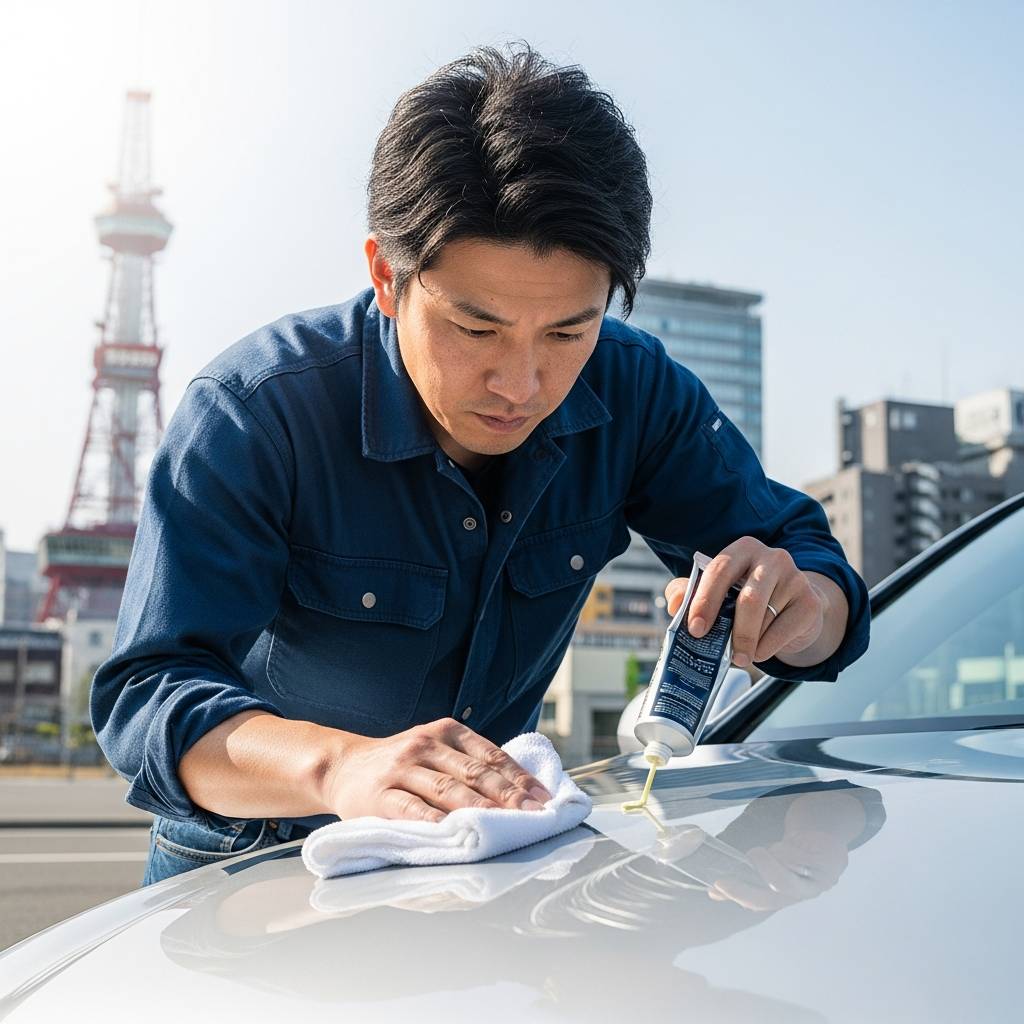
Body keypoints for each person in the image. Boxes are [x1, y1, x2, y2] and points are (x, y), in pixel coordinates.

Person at [91, 42, 870, 885]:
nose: (522, 385)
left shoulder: (637, 390)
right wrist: (338, 768)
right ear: (387, 278)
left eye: (569, 331)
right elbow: (147, 692)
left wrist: (804, 606)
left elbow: (810, 560)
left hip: (491, 869)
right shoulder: (254, 411)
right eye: (476, 329)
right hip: (256, 868)